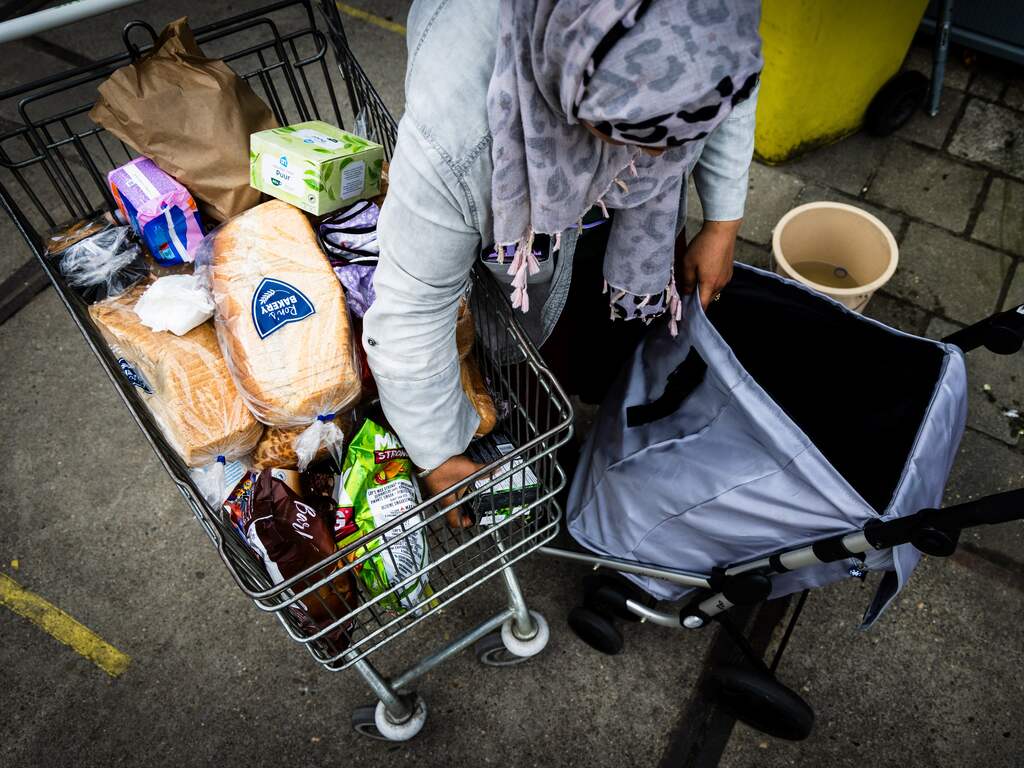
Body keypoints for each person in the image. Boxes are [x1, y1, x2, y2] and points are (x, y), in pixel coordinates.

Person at [363, 0, 763, 523]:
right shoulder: (459, 135)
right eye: (625, 135)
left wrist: (722, 223)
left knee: (620, 349)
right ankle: (549, 443)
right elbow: (412, 308)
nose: (661, 160)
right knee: (538, 364)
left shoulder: (695, 35)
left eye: (678, 137)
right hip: (528, 244)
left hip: (638, 229)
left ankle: (614, 422)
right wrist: (437, 451)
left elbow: (726, 81)